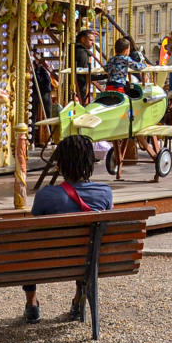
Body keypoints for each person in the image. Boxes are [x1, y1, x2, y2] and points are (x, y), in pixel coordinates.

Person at [23, 135, 113, 324]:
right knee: (87, 247)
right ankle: (78, 298)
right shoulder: (105, 193)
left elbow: (32, 232)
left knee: (27, 248)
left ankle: (32, 303)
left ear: (60, 164)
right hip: (88, 261)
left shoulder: (46, 195)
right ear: (90, 161)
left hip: (48, 261)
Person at [74, 28, 97, 101]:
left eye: (93, 41)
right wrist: (104, 76)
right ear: (83, 39)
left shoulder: (76, 50)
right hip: (80, 86)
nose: (93, 43)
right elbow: (84, 73)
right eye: (90, 40)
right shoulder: (82, 53)